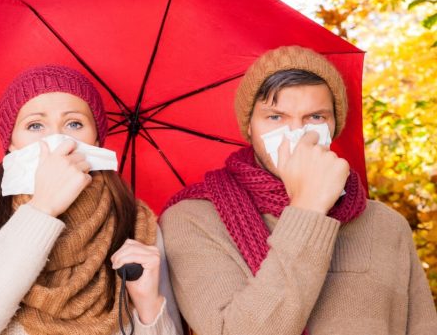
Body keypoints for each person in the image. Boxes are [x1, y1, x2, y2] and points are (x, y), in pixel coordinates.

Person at [160, 46, 437, 335]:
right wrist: (308, 208)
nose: (296, 133)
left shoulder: (386, 225)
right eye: (275, 118)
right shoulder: (193, 219)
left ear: (334, 125)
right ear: (250, 127)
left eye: (315, 117)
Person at [0, 65, 182, 335]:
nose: (56, 138)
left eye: (74, 123)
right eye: (35, 125)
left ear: (96, 139)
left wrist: (148, 306)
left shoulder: (138, 225)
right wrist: (42, 209)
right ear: (12, 145)